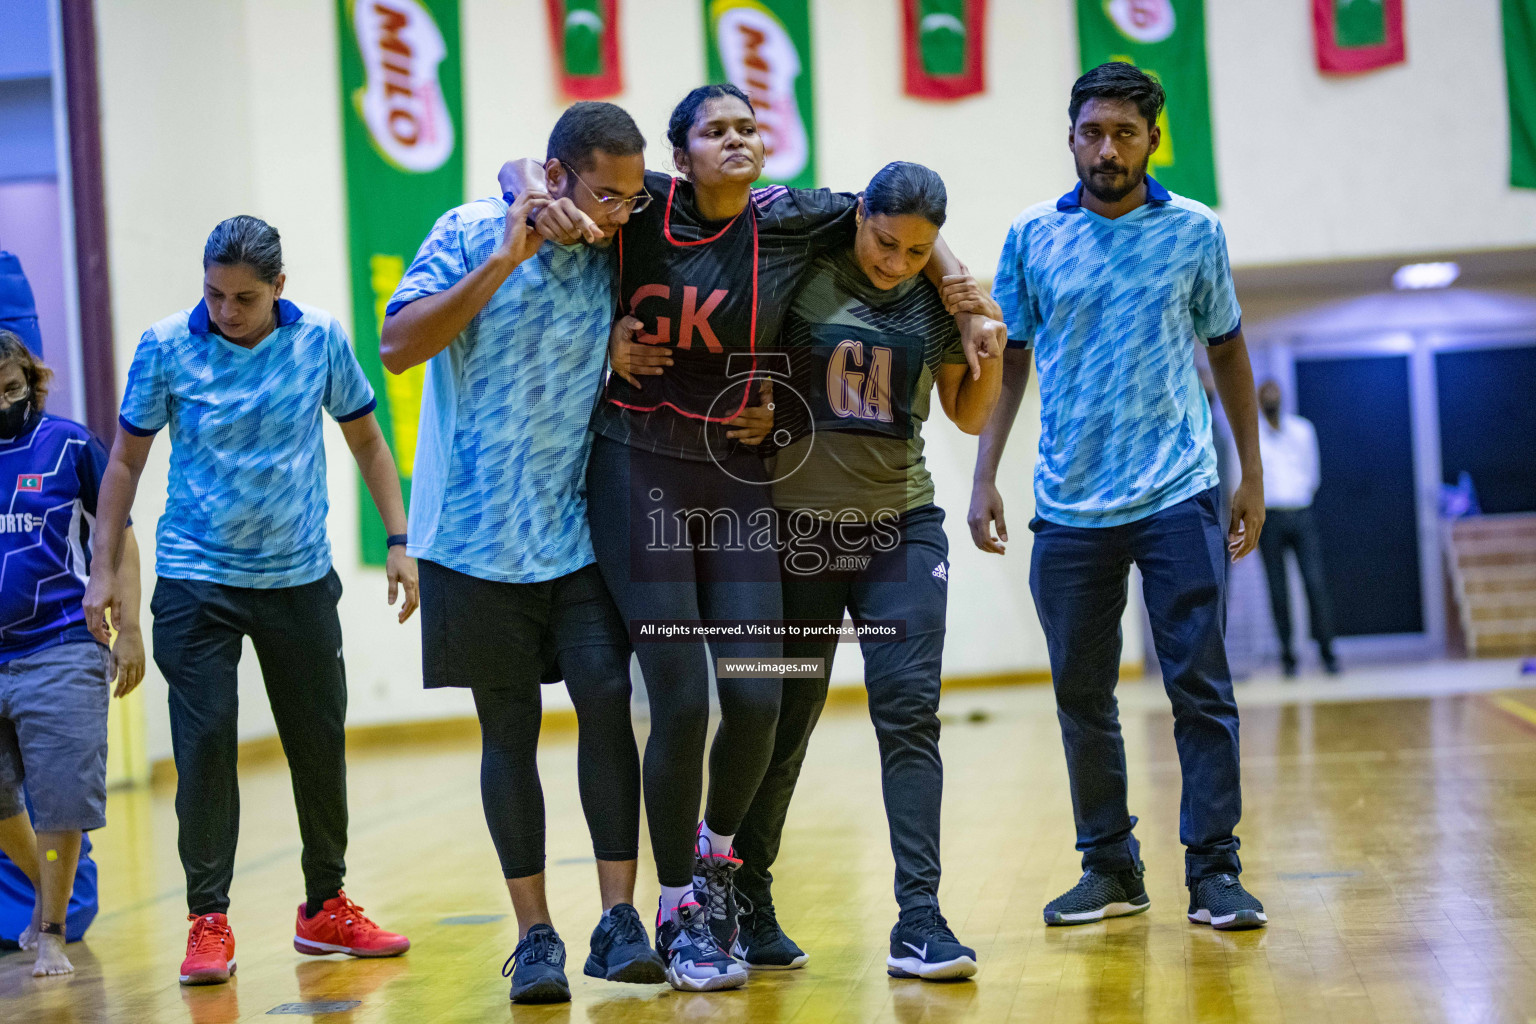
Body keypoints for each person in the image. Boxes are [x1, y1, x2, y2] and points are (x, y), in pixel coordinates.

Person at [501, 84, 997, 992]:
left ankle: (720, 874)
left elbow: (895, 219)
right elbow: (533, 172)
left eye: (749, 125)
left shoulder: (791, 216)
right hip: (637, 463)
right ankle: (678, 906)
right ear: (680, 152)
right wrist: (525, 186)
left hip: (735, 473)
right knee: (683, 701)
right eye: (717, 129)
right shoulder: (640, 200)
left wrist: (960, 290)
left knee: (761, 700)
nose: (740, 138)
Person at [613, 162, 1003, 979]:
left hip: (901, 530)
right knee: (781, 717)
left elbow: (968, 414)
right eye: (885, 242)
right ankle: (747, 897)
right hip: (794, 534)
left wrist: (986, 340)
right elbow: (738, 349)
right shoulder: (802, 265)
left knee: (909, 714)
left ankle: (920, 919)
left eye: (917, 250)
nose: (896, 262)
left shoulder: (936, 300)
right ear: (859, 217)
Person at [969, 62, 1271, 932]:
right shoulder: (1030, 236)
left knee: (1200, 688)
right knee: (1081, 694)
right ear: (1071, 137)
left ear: (1152, 139)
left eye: (1125, 133)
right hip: (1068, 505)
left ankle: (1215, 872)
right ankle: (1110, 867)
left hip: (1178, 493)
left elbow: (1228, 353)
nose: (1108, 148)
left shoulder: (1194, 231)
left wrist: (1249, 473)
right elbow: (1010, 360)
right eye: (1093, 132)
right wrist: (985, 474)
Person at [82, 215, 418, 986]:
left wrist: (399, 539)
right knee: (204, 751)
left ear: (278, 290)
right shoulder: (167, 345)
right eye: (214, 295)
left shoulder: (321, 338)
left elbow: (366, 438)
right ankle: (208, 919)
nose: (226, 312)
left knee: (316, 744)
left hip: (297, 577)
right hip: (197, 581)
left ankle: (325, 907)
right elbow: (126, 465)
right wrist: (103, 568)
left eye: (243, 298)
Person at [380, 101, 665, 1005]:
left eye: (631, 194)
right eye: (606, 194)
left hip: (576, 531)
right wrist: (507, 253)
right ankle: (535, 934)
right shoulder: (468, 232)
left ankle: (619, 921)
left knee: (608, 701)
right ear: (557, 173)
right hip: (470, 534)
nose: (623, 210)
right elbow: (396, 346)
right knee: (509, 729)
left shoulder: (622, 238)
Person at [0, 332, 143, 977]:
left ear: (32, 380)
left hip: (59, 645)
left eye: (12, 389)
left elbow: (121, 538)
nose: (5, 403)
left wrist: (131, 626)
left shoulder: (69, 445)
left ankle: (52, 931)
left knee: (59, 800)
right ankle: (42, 898)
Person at [1256, 380, 1338, 676]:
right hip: (1270, 517)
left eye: (1274, 394)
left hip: (1301, 513)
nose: (1271, 399)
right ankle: (1287, 657)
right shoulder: (1252, 435)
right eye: (1265, 395)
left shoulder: (1303, 431)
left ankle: (1328, 653)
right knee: (1278, 591)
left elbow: (1312, 475)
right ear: (1257, 399)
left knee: (1315, 585)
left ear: (1283, 397)